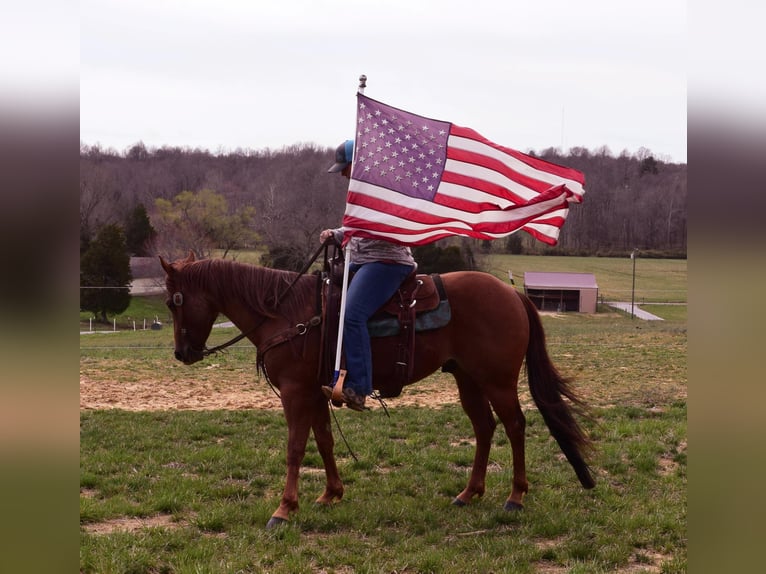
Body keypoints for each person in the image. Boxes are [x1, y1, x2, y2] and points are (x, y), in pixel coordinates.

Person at [320, 140, 416, 411]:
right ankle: (332, 372)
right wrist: (336, 234)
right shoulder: (360, 191)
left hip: (386, 262)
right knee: (325, 299)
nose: (341, 174)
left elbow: (377, 224)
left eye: (345, 168)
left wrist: (343, 233)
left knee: (352, 314)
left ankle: (360, 388)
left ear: (359, 164)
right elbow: (355, 227)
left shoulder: (384, 190)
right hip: (362, 260)